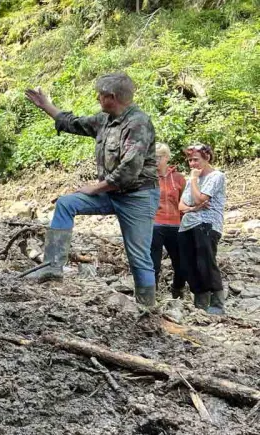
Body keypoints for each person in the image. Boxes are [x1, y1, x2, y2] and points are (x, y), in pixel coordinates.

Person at [23, 72, 160, 308]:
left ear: (112, 97)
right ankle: (52, 266)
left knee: (138, 257)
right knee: (67, 203)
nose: (97, 98)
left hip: (138, 196)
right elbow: (72, 123)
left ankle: (147, 307)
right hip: (111, 193)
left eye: (100, 95)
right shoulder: (104, 120)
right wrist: (46, 105)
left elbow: (129, 170)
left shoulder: (138, 123)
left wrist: (95, 188)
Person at [178, 143, 226, 314]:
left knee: (205, 262)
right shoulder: (192, 179)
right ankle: (200, 304)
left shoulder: (216, 176)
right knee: (189, 263)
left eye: (196, 160)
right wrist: (192, 208)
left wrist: (194, 182)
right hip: (186, 225)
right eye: (190, 160)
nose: (192, 164)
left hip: (207, 224)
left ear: (207, 158)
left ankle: (217, 304)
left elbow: (199, 199)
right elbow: (181, 206)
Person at [150, 143, 187, 299]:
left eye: (158, 157)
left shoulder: (178, 178)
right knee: (154, 263)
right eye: (153, 157)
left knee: (181, 263)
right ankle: (152, 294)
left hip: (175, 225)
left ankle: (177, 289)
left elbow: (184, 201)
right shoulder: (148, 178)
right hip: (154, 224)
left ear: (166, 157)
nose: (155, 160)